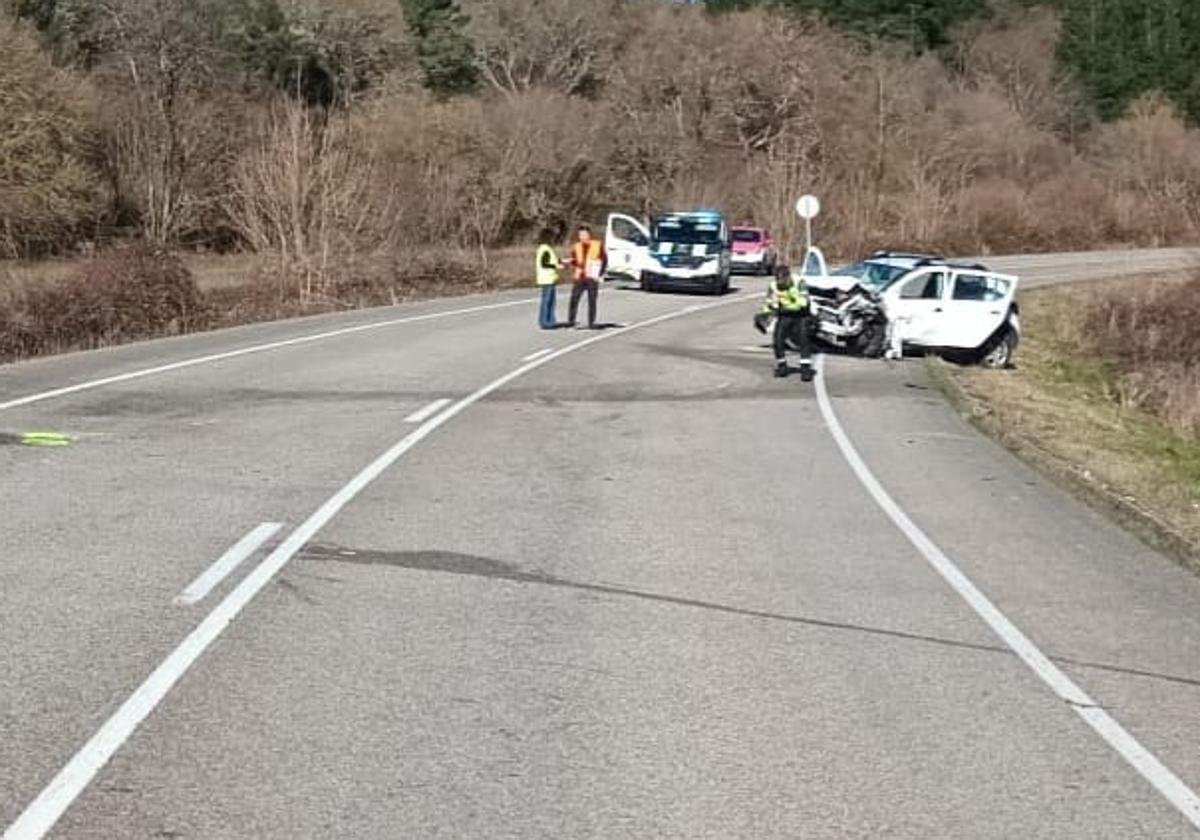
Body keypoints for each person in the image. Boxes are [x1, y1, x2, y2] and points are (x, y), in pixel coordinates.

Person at [760, 264, 815, 381]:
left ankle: (806, 369)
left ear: (788, 277)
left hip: (801, 315)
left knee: (803, 339)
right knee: (778, 340)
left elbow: (803, 303)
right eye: (778, 281)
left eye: (783, 281)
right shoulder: (773, 286)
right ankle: (782, 366)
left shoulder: (799, 282)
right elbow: (769, 302)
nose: (781, 284)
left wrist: (791, 298)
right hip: (784, 315)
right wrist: (765, 314)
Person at [565, 224, 606, 329]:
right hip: (579, 277)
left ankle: (591, 322)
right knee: (574, 299)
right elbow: (574, 260)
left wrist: (600, 274)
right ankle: (571, 321)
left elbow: (604, 260)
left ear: (589, 234)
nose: (582, 237)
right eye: (580, 235)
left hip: (592, 277)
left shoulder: (597, 245)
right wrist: (570, 262)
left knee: (592, 300)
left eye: (584, 234)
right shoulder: (576, 246)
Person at [534, 229, 562, 329]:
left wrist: (561, 261)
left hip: (549, 278)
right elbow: (544, 263)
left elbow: (551, 260)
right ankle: (545, 321)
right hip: (547, 278)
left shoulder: (544, 248)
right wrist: (556, 266)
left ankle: (550, 320)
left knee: (551, 300)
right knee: (547, 300)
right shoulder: (545, 249)